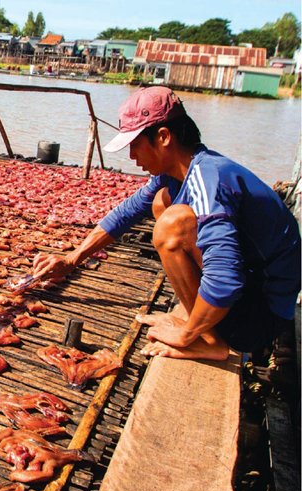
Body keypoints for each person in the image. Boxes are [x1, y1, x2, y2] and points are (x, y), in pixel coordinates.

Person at [31, 86, 300, 360]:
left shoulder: (209, 180)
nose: (132, 157)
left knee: (172, 224)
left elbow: (225, 280)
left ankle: (209, 340)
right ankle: (192, 316)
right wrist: (72, 259)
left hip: (261, 318)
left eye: (135, 145)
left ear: (163, 137)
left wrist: (187, 333)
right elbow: (126, 214)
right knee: (162, 201)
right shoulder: (177, 174)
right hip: (248, 293)